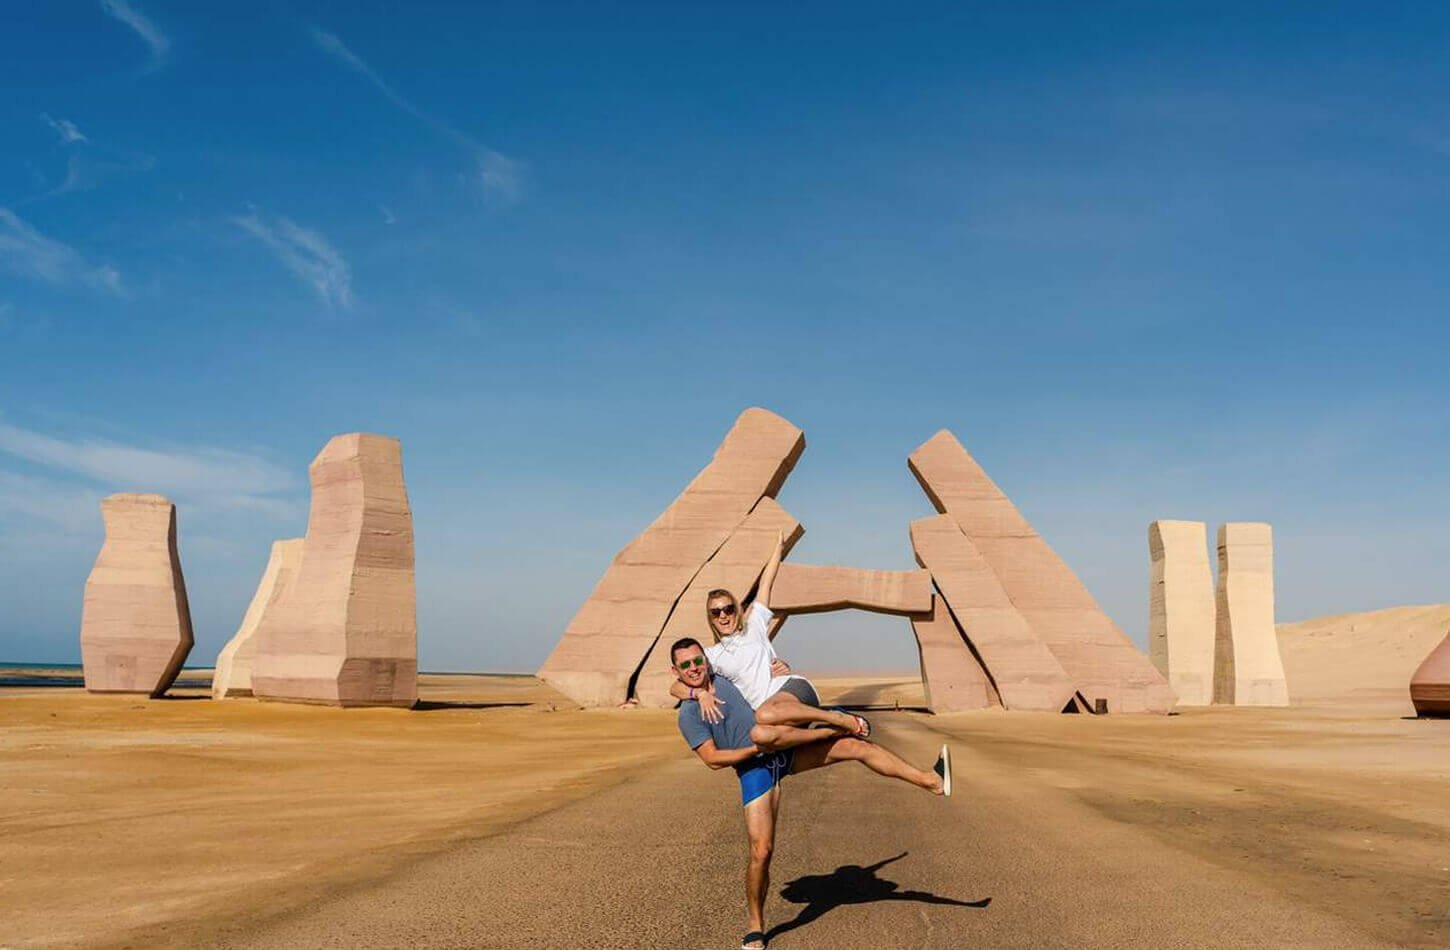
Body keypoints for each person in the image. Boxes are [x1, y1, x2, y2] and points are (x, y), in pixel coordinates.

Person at [671, 637, 951, 950]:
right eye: (685, 665)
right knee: (761, 851)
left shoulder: (725, 675)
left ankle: (932, 782)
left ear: (706, 661)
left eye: (698, 661)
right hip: (756, 768)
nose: (694, 668)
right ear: (676, 670)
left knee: (856, 747)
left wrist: (779, 669)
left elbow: (755, 660)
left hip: (786, 745)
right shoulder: (689, 715)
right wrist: (752, 746)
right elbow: (711, 759)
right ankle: (755, 926)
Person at [669, 530, 870, 738]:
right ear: (710, 618)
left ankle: (835, 717)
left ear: (736, 610)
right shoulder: (710, 656)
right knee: (762, 736)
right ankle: (831, 732)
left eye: (728, 609)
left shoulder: (753, 624)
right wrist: (699, 694)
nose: (723, 615)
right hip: (768, 712)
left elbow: (766, 583)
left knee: (764, 716)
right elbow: (675, 687)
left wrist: (779, 548)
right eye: (716, 612)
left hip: (790, 688)